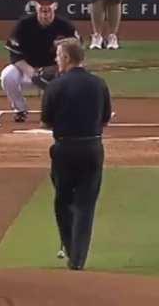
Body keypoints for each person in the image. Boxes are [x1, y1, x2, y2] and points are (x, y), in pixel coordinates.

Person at [41, 38, 111, 270]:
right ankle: (78, 260)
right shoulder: (99, 83)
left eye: (58, 55)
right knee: (85, 205)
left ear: (67, 58)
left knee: (63, 201)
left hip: (64, 150)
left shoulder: (55, 86)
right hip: (92, 148)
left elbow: (46, 121)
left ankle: (70, 249)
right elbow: (105, 118)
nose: (55, 59)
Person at [0, 0, 80, 122]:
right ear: (36, 6)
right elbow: (15, 56)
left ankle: (61, 110)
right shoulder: (24, 25)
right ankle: (20, 109)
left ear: (55, 6)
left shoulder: (65, 26)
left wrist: (60, 70)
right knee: (7, 76)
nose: (45, 13)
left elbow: (76, 53)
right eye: (42, 8)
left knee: (72, 79)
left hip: (55, 71)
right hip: (27, 70)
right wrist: (32, 72)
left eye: (48, 8)